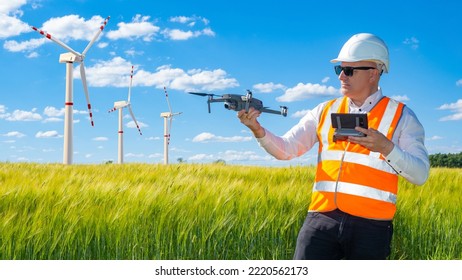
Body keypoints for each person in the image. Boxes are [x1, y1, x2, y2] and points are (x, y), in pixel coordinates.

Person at [237, 33, 430, 260]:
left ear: (373, 73)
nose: (341, 77)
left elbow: (420, 174)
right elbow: (286, 149)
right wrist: (257, 130)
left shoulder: (402, 116)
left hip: (371, 229)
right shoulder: (324, 110)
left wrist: (386, 147)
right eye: (339, 69)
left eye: (349, 70)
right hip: (320, 221)